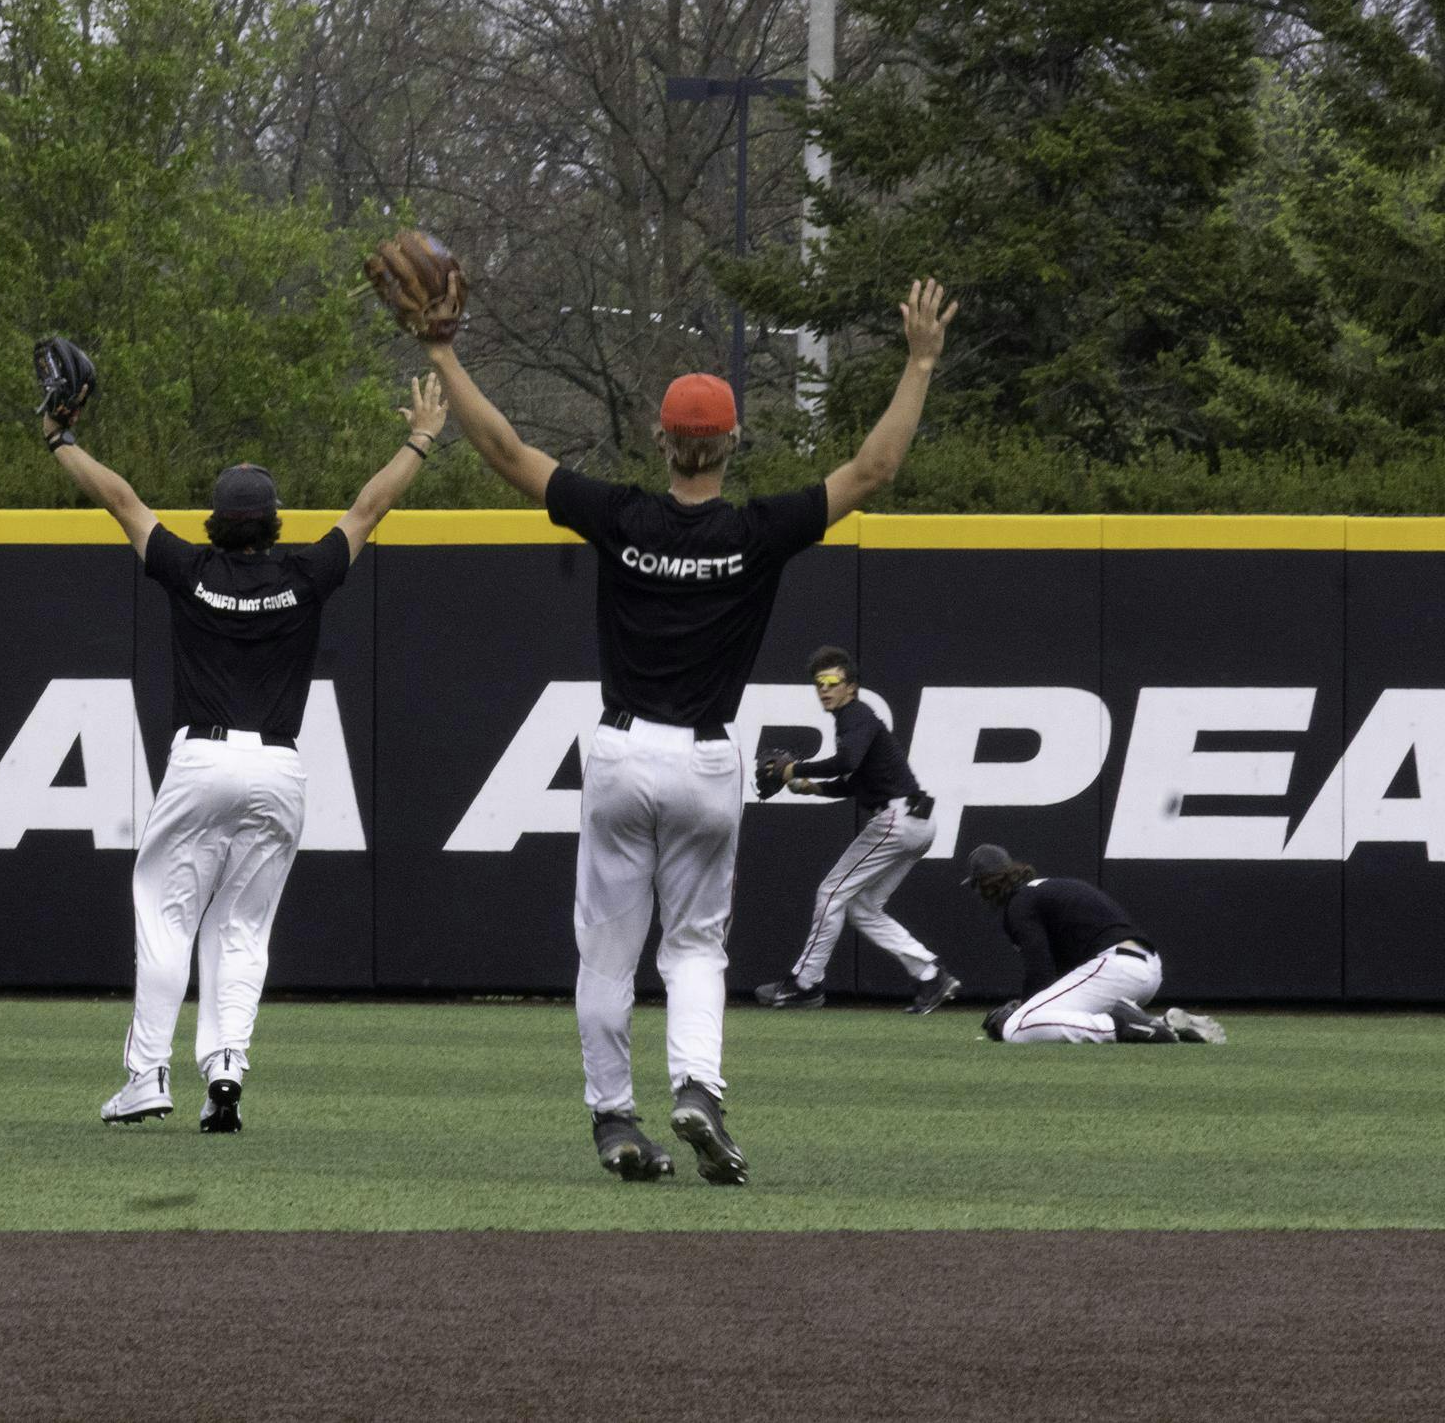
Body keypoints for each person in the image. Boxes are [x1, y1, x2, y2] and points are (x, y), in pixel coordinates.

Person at [421, 279, 959, 1185]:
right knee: (696, 947)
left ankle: (612, 1117)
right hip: (709, 757)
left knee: (607, 949)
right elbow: (874, 470)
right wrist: (919, 360)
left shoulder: (622, 516)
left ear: (664, 438)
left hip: (624, 750)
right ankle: (698, 1088)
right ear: (732, 440)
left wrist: (442, 350)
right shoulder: (757, 531)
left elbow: (507, 450)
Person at [47, 373, 449, 1132]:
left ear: (215, 524)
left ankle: (146, 1075)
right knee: (243, 927)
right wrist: (420, 437)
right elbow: (370, 507)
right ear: (272, 524)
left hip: (200, 761)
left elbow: (121, 499)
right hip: (277, 767)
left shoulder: (189, 570)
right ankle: (227, 1064)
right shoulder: (304, 574)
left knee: (169, 919)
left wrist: (62, 440)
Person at [752, 645, 961, 1014]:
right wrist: (815, 787)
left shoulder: (856, 714)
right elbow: (856, 780)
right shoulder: (854, 720)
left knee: (831, 891)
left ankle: (805, 983)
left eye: (833, 681)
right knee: (863, 906)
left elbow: (847, 761)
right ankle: (930, 975)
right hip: (917, 821)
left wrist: (793, 771)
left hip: (897, 820)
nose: (825, 689)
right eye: (819, 683)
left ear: (851, 686)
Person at [960, 843, 1226, 1045]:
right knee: (1043, 1015)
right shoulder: (1045, 889)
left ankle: (1122, 1027)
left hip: (1115, 967)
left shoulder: (1019, 904)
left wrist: (1028, 1007)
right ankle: (1159, 1024)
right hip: (1144, 969)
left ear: (984, 885)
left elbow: (1038, 967)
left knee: (1017, 1027)